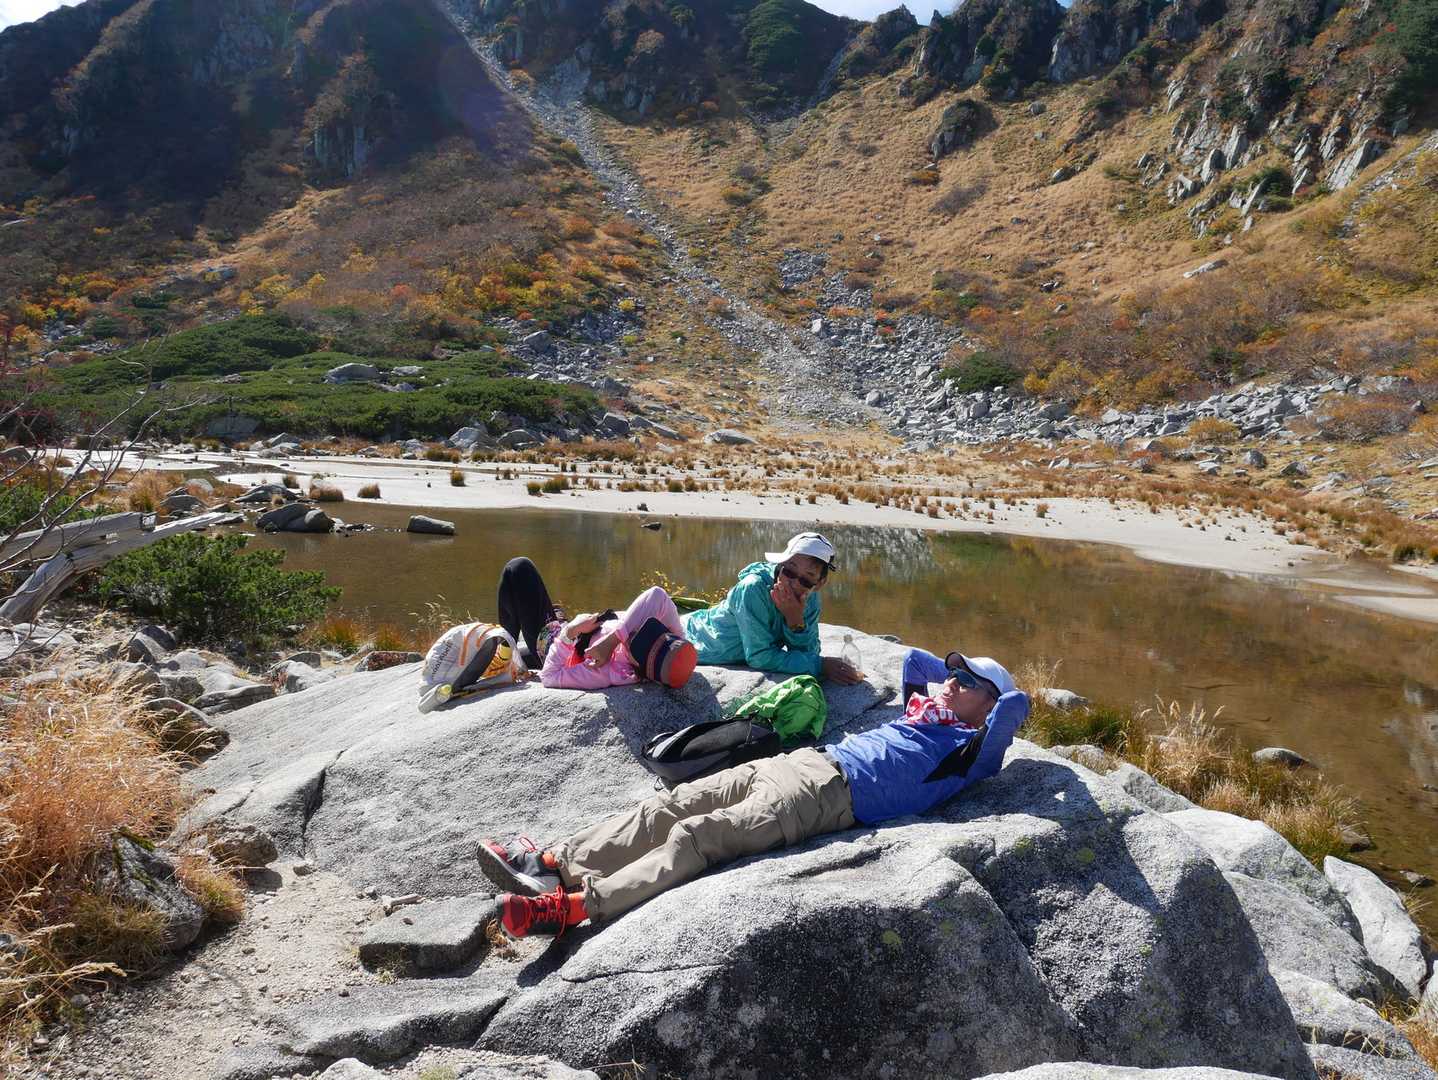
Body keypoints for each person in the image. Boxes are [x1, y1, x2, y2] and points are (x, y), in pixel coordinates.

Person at [477, 650, 1028, 937]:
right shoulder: (924, 713)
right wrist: (961, 675)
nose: (950, 682)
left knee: (696, 836)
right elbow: (916, 664)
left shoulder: (967, 756)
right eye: (953, 675)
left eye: (967, 682)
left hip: (824, 797)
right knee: (668, 806)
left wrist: (994, 693)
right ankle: (553, 863)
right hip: (796, 763)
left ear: (989, 705)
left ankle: (571, 908)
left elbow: (1015, 706)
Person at [681, 531, 862, 685]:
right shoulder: (752, 588)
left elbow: (808, 654)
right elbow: (759, 657)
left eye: (806, 579)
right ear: (780, 564)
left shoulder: (811, 597)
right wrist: (820, 665)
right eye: (790, 571)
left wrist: (795, 621)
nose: (794, 583)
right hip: (697, 639)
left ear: (820, 583)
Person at [541, 586, 698, 691]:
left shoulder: (607, 670)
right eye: (649, 631)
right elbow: (657, 594)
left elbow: (549, 677)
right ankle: (558, 614)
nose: (633, 633)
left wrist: (571, 630)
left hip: (553, 641)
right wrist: (613, 640)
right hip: (581, 626)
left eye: (638, 643)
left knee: (526, 570)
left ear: (639, 668)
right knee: (553, 609)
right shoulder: (674, 637)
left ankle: (557, 618)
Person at [496, 557, 566, 670]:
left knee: (519, 567)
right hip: (555, 647)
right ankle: (504, 654)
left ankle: (503, 655)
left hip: (556, 655)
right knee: (519, 567)